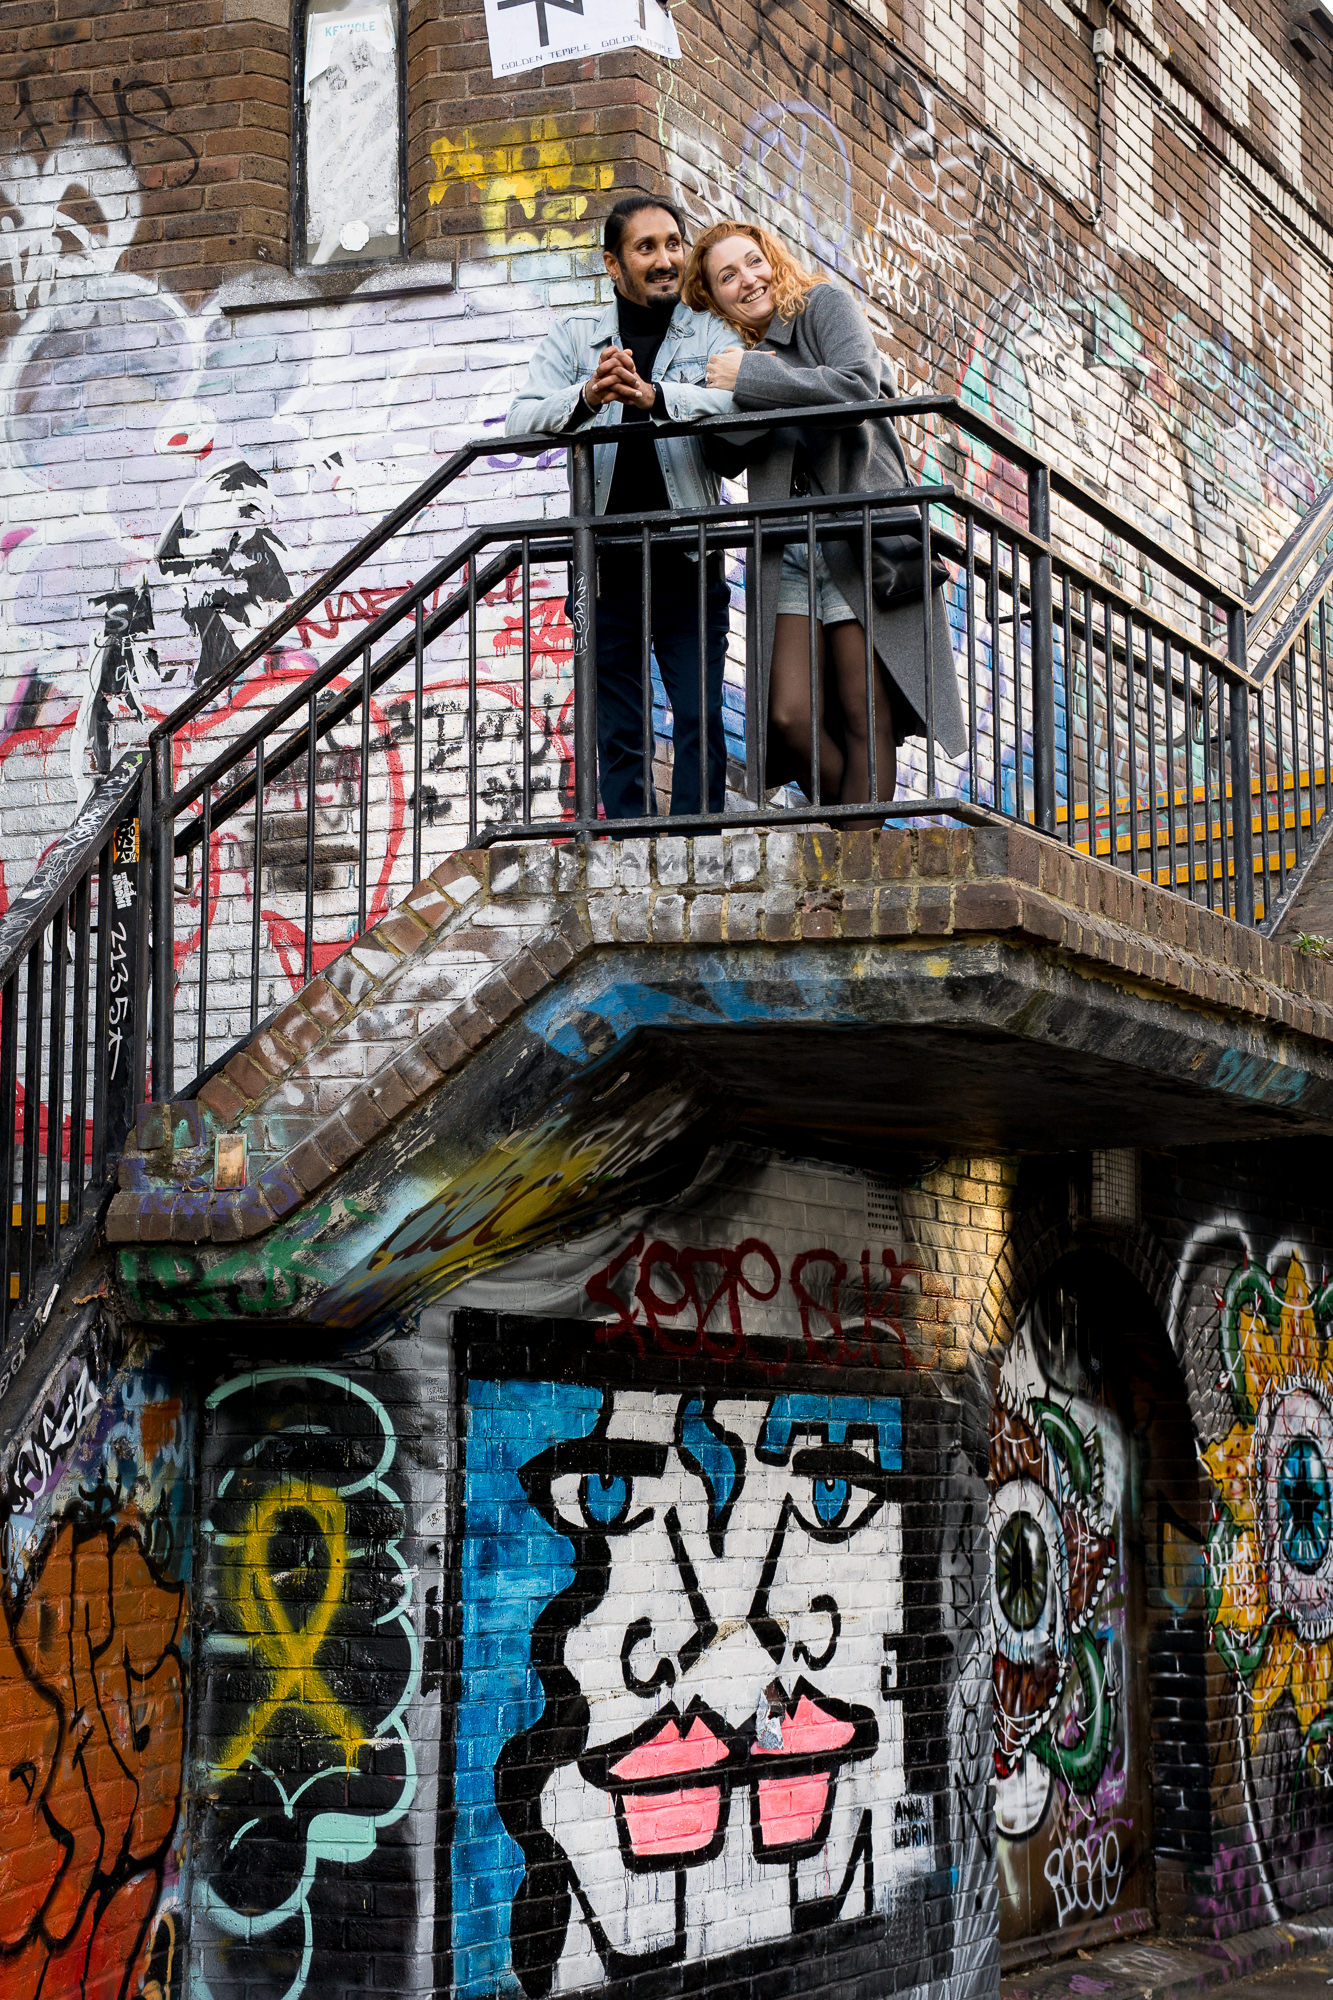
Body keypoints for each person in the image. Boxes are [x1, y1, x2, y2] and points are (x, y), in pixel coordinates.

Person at [681, 222, 965, 812]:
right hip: (787, 547)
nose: (747, 280)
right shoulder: (739, 356)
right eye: (726, 276)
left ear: (774, 261)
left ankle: (857, 871)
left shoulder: (821, 305)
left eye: (753, 262)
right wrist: (717, 385)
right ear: (712, 296)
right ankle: (861, 848)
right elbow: (720, 453)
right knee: (786, 717)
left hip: (857, 538)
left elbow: (858, 388)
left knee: (866, 715)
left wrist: (752, 379)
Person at [507, 194, 738, 822]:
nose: (665, 260)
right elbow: (521, 421)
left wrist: (658, 396)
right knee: (619, 726)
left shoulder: (710, 329)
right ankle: (632, 853)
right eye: (646, 248)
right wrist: (587, 397)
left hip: (690, 559)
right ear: (614, 264)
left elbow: (745, 403)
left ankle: (697, 841)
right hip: (604, 567)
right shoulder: (576, 337)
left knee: (699, 717)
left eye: (673, 244)